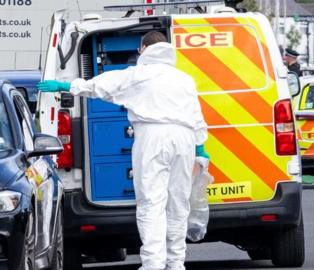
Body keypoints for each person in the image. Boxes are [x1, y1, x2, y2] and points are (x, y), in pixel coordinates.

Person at [37, 31, 208, 270]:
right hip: (185, 139)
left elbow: (100, 85)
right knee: (178, 202)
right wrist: (201, 147)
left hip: (152, 136)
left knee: (151, 202)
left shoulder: (138, 75)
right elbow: (197, 116)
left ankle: (153, 264)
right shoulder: (184, 79)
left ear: (143, 49)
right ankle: (176, 263)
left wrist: (66, 85)